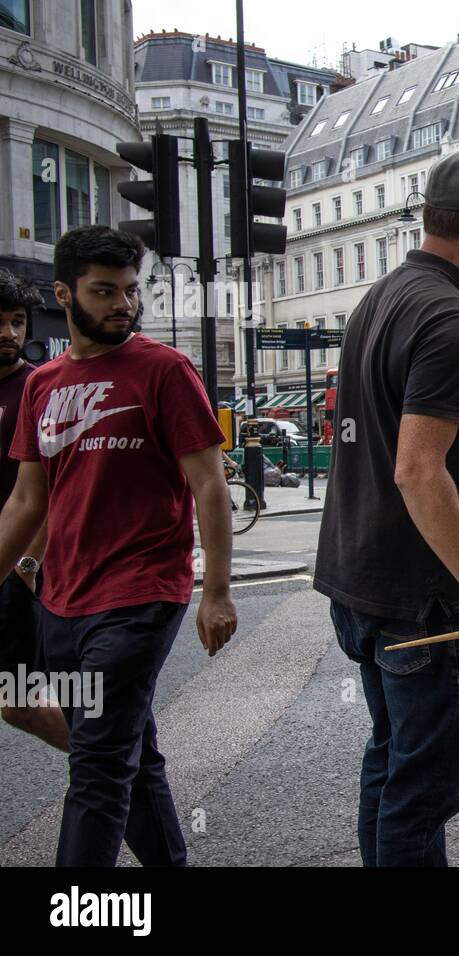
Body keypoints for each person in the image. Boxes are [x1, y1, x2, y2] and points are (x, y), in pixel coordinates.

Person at [315, 147, 459, 867]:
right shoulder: (451, 318)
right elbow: (418, 470)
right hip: (427, 604)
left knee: (391, 769)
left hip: (361, 584)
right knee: (421, 795)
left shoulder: (378, 300)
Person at [0, 226, 236, 866]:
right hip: (61, 601)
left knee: (98, 768)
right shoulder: (42, 386)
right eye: (103, 292)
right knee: (132, 758)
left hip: (139, 597)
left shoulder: (166, 371)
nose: (122, 306)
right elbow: (27, 501)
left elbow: (210, 486)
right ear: (64, 294)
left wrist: (215, 590)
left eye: (130, 292)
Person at [0, 270, 65, 750]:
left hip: (16, 569)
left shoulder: (39, 388)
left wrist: (28, 564)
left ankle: (117, 775)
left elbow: (55, 487)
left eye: (17, 321)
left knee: (19, 700)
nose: (9, 333)